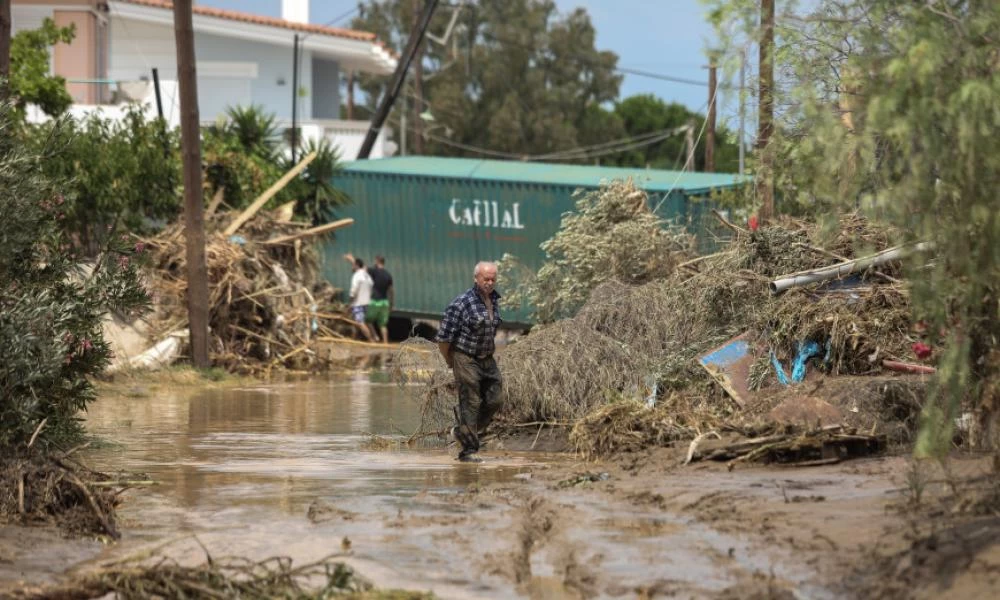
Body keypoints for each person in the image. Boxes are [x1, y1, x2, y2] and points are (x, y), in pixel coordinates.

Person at [434, 261, 503, 463]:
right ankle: (468, 451)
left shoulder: (494, 300)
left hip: (487, 358)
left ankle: (461, 432)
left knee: (496, 399)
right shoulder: (461, 304)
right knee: (470, 402)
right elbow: (443, 338)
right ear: (476, 278)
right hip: (465, 357)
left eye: (493, 279)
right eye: (486, 279)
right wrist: (450, 360)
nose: (490, 283)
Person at [343, 253, 394, 342]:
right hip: (384, 302)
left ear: (377, 261)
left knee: (363, 321)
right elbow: (391, 291)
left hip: (374, 301)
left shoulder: (374, 271)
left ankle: (372, 339)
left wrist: (351, 259)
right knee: (382, 325)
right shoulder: (388, 275)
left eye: (375, 261)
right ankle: (384, 343)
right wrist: (392, 304)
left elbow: (361, 268)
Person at [348, 257, 375, 342]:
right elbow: (371, 286)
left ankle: (371, 340)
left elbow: (354, 290)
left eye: (353, 265)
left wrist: (350, 302)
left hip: (358, 303)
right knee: (357, 321)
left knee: (360, 322)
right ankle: (354, 338)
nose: (352, 267)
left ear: (356, 265)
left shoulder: (356, 275)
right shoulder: (367, 275)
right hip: (367, 302)